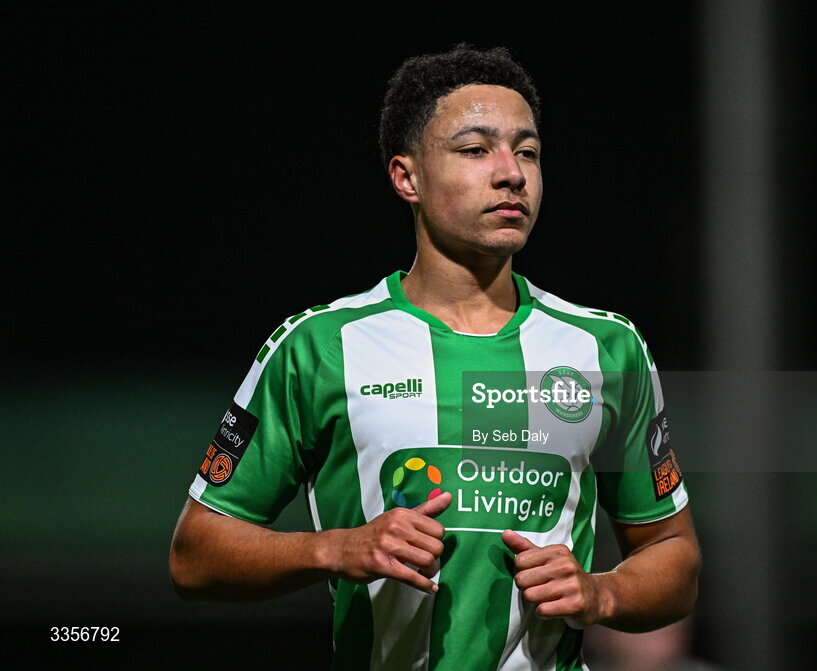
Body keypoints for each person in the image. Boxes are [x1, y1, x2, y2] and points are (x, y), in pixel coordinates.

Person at [170, 43, 700, 671]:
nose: (511, 173)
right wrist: (335, 550)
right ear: (407, 178)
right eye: (476, 150)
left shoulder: (604, 349)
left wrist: (601, 591)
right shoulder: (320, 346)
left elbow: (674, 556)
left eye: (526, 151)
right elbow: (195, 554)